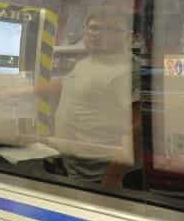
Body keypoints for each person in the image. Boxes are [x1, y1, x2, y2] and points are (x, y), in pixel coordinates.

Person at [47, 11, 139, 187]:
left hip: (98, 175)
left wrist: (113, 177)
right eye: (94, 27)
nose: (99, 34)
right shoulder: (88, 62)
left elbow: (136, 128)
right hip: (72, 165)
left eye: (112, 29)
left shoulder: (128, 69)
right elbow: (65, 84)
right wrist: (13, 90)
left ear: (129, 37)